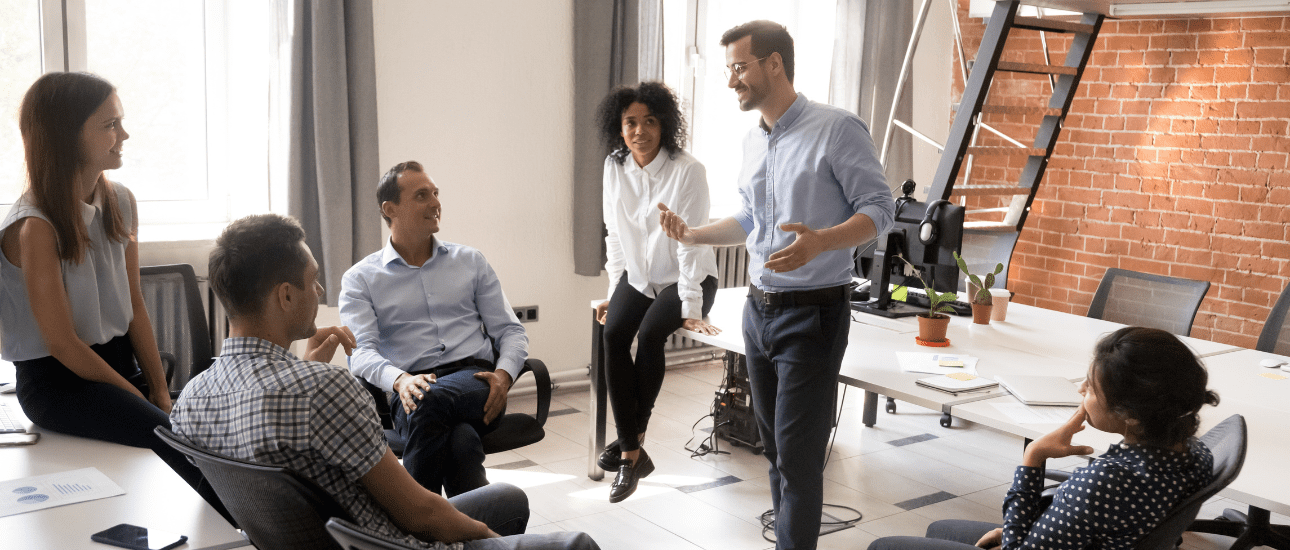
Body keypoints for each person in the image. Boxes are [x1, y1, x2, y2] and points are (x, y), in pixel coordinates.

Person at [171, 214, 598, 550]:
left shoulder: (192, 399)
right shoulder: (322, 389)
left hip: (336, 537)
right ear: (285, 295)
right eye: (311, 280)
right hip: (395, 541)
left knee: (506, 496)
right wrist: (494, 543)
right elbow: (420, 515)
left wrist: (299, 366)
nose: (318, 290)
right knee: (577, 544)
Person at [658, 20, 895, 550]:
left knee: (798, 457)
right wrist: (694, 234)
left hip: (813, 315)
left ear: (774, 64)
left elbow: (880, 211)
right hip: (759, 314)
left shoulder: (837, 128)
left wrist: (823, 241)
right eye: (728, 70)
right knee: (774, 451)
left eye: (739, 68)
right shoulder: (751, 140)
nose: (731, 81)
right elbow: (748, 217)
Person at [0, 72, 230, 523]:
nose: (123, 134)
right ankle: (250, 532)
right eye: (109, 124)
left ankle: (231, 529)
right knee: (185, 448)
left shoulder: (121, 201)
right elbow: (63, 344)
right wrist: (142, 402)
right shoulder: (35, 226)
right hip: (57, 383)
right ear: (67, 135)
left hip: (116, 365)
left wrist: (160, 391)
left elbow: (135, 307)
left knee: (206, 436)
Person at [868, 326, 1221, 550]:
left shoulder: (1106, 482)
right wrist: (1022, 525)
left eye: (1092, 388)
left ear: (1130, 415)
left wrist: (1034, 457)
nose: (1081, 389)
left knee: (885, 546)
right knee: (940, 527)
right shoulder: (1196, 453)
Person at [340, 161, 526, 497]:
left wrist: (505, 375)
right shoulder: (360, 279)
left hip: (476, 382)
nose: (435, 203)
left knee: (430, 402)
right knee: (461, 442)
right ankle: (472, 535)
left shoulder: (471, 261)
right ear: (390, 209)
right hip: (409, 388)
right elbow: (361, 352)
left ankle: (409, 523)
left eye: (436, 193)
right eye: (422, 195)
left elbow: (510, 331)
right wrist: (400, 380)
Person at [592, 81, 721, 503]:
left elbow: (690, 241)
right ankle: (633, 452)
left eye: (649, 121)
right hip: (640, 276)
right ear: (620, 127)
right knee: (611, 335)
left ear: (664, 125)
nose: (640, 131)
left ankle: (630, 445)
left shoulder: (688, 170)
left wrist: (690, 305)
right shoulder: (615, 166)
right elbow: (614, 233)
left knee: (649, 336)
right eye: (631, 122)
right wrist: (615, 290)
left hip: (691, 275)